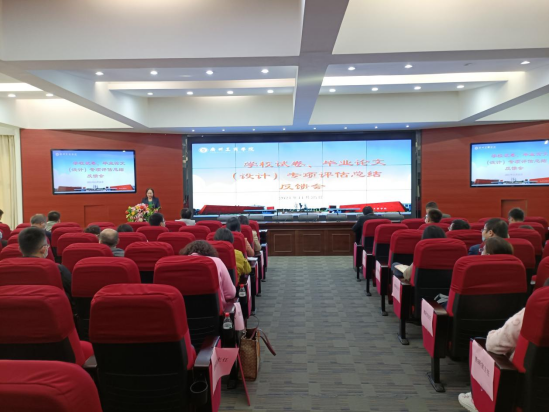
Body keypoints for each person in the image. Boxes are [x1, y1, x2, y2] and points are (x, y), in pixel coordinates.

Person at [18, 227, 74, 307]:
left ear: (20, 249)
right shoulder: (57, 269)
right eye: (47, 246)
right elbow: (73, 292)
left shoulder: (4, 268)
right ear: (44, 249)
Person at [180, 240, 236, 305]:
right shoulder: (216, 261)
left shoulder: (181, 264)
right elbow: (230, 293)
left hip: (185, 310)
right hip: (216, 309)